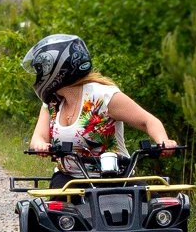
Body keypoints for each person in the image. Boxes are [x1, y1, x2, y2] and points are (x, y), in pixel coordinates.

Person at [23, 34, 176, 187]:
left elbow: (147, 121)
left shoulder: (103, 97)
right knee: (56, 209)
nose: (39, 75)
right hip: (69, 180)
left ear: (57, 69)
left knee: (159, 207)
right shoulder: (52, 102)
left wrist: (163, 141)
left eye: (40, 70)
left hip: (115, 178)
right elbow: (38, 137)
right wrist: (41, 146)